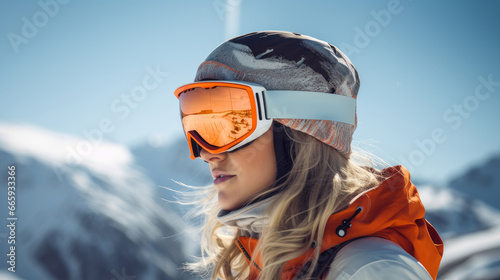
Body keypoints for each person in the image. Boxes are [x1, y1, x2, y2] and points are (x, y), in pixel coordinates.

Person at [173, 31, 443, 280]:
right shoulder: (268, 261)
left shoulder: (368, 270)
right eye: (198, 123)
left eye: (232, 123)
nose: (207, 153)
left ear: (299, 135)